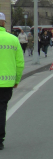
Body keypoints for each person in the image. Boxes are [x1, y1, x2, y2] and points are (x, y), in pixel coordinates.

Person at [0, 12, 25, 150]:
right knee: (1, 110)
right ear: (3, 23)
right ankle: (0, 140)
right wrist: (17, 80)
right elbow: (20, 63)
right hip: (6, 84)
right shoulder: (13, 39)